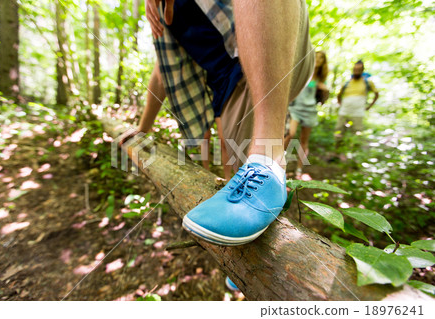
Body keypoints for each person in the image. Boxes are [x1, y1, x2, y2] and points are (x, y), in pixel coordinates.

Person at [131, 0, 314, 248]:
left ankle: (269, 158)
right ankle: (272, 212)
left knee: (261, 170)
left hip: (275, 58)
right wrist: (142, 131)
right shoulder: (160, 12)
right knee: (244, 188)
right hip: (227, 93)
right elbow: (161, 72)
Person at [119, 61, 233, 180]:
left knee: (225, 138)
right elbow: (160, 75)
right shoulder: (169, 49)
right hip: (199, 87)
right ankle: (208, 174)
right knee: (204, 135)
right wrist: (142, 129)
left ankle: (228, 180)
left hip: (222, 83)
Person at [284, 51, 329, 178]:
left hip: (309, 110)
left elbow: (323, 101)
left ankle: (299, 169)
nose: (318, 59)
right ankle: (278, 163)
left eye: (321, 58)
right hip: (295, 108)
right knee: (290, 134)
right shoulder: (303, 72)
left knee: (304, 141)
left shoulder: (321, 79)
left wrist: (325, 90)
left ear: (323, 62)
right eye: (317, 56)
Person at [335, 60, 379, 144]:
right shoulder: (346, 83)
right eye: (355, 69)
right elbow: (339, 95)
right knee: (339, 131)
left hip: (358, 112)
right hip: (344, 111)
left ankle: (353, 152)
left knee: (357, 133)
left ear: (362, 71)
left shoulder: (367, 83)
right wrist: (340, 105)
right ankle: (338, 151)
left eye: (359, 69)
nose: (357, 71)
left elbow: (376, 94)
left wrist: (370, 106)